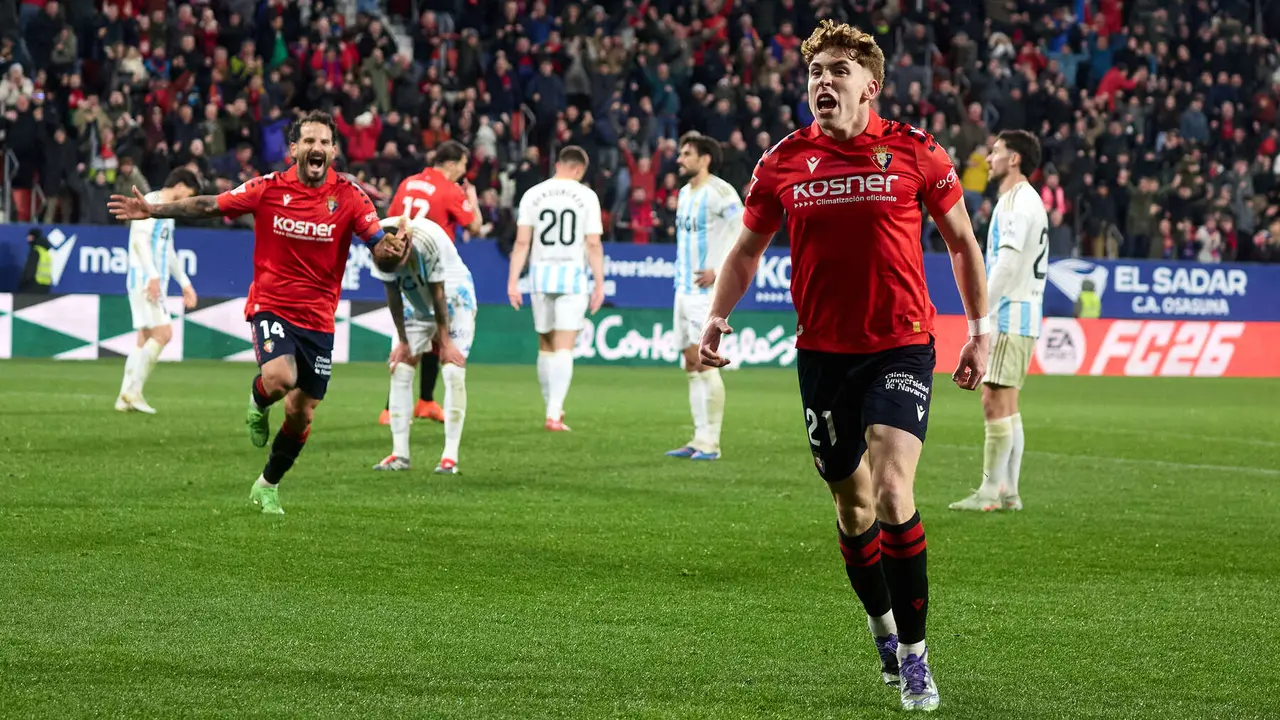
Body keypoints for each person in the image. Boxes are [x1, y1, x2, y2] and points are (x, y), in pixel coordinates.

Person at [697, 21, 990, 713]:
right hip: (823, 353)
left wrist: (981, 332)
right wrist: (717, 315)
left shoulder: (917, 152)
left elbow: (962, 244)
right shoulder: (783, 161)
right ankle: (881, 628)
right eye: (814, 73)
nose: (822, 82)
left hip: (900, 344)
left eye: (837, 70)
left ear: (871, 84)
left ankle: (916, 658)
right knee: (851, 503)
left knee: (892, 490)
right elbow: (745, 251)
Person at [108, 110, 410, 515]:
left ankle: (268, 484)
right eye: (308, 141)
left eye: (323, 142)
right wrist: (154, 210)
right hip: (271, 305)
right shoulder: (268, 188)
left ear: (334, 150)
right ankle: (257, 400)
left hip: (319, 319)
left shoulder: (352, 197)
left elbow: (380, 250)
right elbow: (211, 204)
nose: (316, 148)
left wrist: (393, 253)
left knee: (301, 414)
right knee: (280, 377)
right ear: (294, 150)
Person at [950, 131, 1048, 513]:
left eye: (996, 152)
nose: (989, 158)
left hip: (1011, 314)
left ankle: (991, 492)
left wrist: (984, 314)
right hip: (1022, 313)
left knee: (994, 401)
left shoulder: (1017, 203)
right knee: (1008, 404)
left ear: (1015, 159)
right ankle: (1009, 491)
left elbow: (1006, 263)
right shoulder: (1023, 201)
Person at [378, 140, 483, 425]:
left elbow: (391, 219)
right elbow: (475, 227)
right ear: (451, 163)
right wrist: (471, 197)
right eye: (463, 165)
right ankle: (413, 403)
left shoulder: (409, 183)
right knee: (437, 333)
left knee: (415, 336)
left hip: (405, 266)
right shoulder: (451, 189)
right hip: (437, 267)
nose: (464, 171)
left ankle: (414, 403)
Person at [506, 145, 605, 431]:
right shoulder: (586, 196)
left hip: (540, 276)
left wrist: (513, 281)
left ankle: (553, 409)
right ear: (577, 169)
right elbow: (593, 243)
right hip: (572, 277)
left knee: (546, 345)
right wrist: (599, 283)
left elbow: (522, 242)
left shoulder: (533, 194)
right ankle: (553, 413)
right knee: (565, 345)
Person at [370, 215, 473, 474]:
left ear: (408, 241)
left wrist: (445, 342)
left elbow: (438, 295)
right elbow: (392, 294)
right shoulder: (376, 240)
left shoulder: (429, 242)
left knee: (452, 370)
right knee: (400, 367)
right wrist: (403, 341)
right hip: (413, 301)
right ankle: (400, 455)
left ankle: (449, 457)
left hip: (453, 298)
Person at [665, 133, 740, 461]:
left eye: (686, 154)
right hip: (682, 290)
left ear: (705, 158)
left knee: (706, 363)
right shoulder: (684, 193)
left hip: (706, 294)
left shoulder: (720, 192)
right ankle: (698, 438)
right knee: (691, 362)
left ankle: (711, 442)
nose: (680, 159)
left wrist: (719, 268)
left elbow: (743, 230)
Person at [114, 169, 202, 414]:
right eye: (189, 193)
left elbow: (168, 250)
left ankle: (124, 398)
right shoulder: (151, 203)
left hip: (148, 279)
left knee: (144, 337)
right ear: (180, 185)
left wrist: (184, 283)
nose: (187, 198)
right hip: (145, 279)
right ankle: (133, 392)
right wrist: (152, 276)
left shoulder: (165, 210)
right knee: (164, 333)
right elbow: (138, 242)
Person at [17, 228, 52, 294]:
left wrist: (23, 283)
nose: (27, 239)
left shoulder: (35, 251)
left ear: (33, 237)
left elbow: (30, 269)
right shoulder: (45, 252)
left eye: (29, 236)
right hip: (45, 286)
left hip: (34, 285)